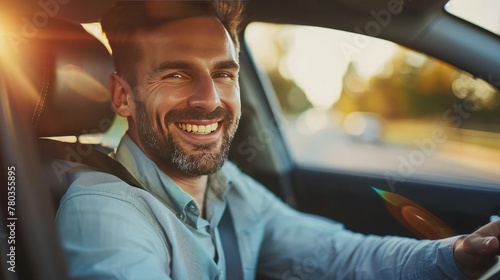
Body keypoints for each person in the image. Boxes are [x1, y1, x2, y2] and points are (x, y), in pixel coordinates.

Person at [55, 1, 500, 279]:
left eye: (223, 74)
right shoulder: (104, 210)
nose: (210, 100)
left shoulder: (229, 186)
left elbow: (337, 255)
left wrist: (459, 254)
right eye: (176, 73)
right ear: (122, 96)